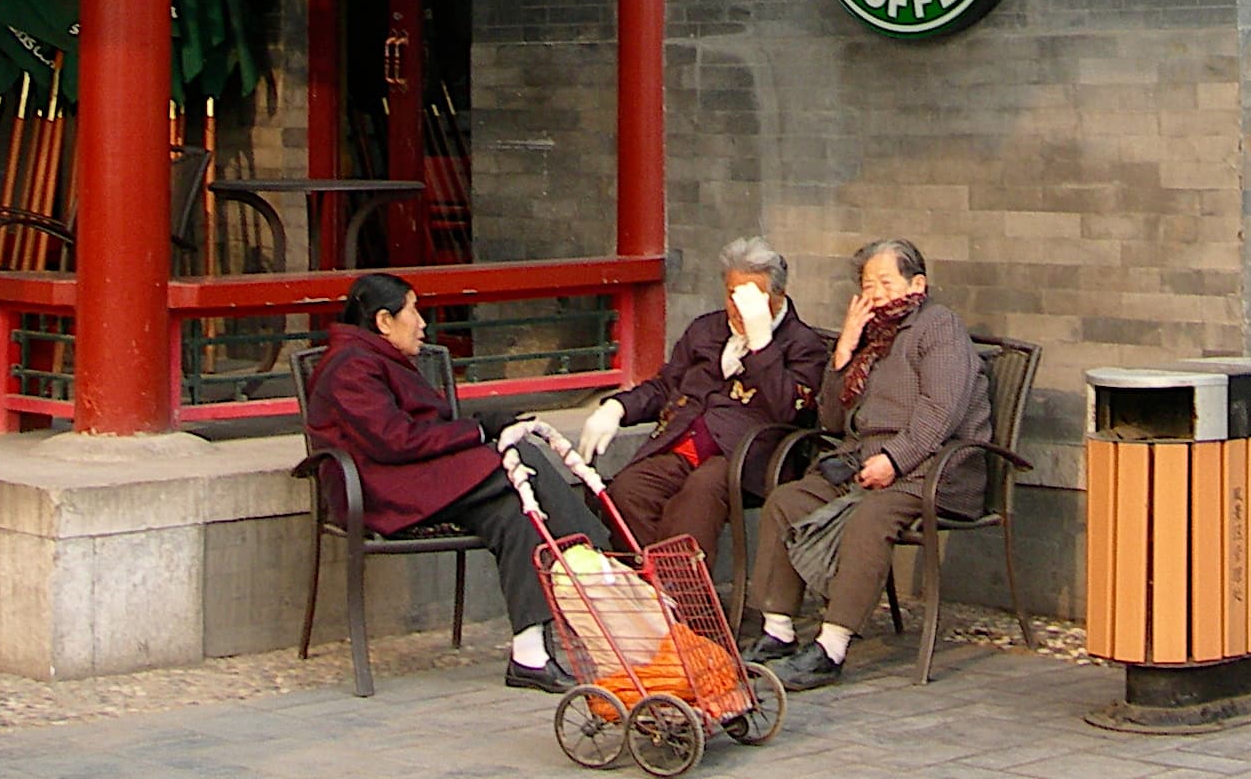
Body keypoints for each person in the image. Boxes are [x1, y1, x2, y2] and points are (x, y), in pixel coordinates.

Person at [306, 270, 618, 692]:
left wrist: (483, 424)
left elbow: (427, 424)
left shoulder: (377, 358)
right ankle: (605, 564)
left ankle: (529, 654)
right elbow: (394, 441)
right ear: (383, 322)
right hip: (382, 488)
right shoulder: (350, 368)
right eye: (413, 312)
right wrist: (479, 432)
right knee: (518, 456)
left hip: (418, 478)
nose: (422, 323)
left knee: (515, 511)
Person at [738, 239, 991, 692]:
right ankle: (778, 631)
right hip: (864, 463)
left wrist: (894, 460)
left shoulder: (939, 327)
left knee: (870, 516)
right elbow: (833, 420)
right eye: (867, 285)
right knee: (786, 500)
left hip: (934, 468)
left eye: (885, 283)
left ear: (918, 284)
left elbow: (941, 412)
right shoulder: (872, 336)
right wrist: (842, 356)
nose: (875, 293)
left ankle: (831, 647)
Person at [575, 236, 831, 557]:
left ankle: (681, 597)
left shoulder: (803, 344)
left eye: (752, 298)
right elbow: (665, 387)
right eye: (732, 295)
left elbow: (788, 410)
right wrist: (616, 408)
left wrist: (762, 344)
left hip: (747, 456)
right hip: (685, 442)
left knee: (701, 491)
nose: (739, 309)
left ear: (779, 296)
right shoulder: (706, 330)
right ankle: (660, 589)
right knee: (628, 491)